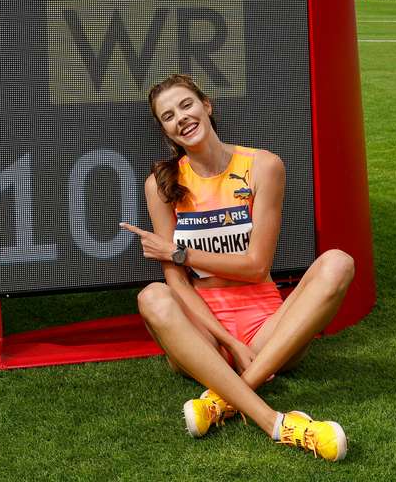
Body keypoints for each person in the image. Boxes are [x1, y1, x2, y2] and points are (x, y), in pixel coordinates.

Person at [120, 74, 355, 462]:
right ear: (164, 129)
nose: (181, 118)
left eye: (186, 105)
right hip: (204, 336)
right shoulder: (160, 185)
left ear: (207, 105)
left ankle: (224, 400)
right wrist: (228, 343)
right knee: (152, 297)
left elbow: (255, 265)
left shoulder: (263, 166)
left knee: (338, 263)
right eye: (167, 116)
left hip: (266, 330)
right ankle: (276, 423)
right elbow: (177, 284)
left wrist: (180, 252)